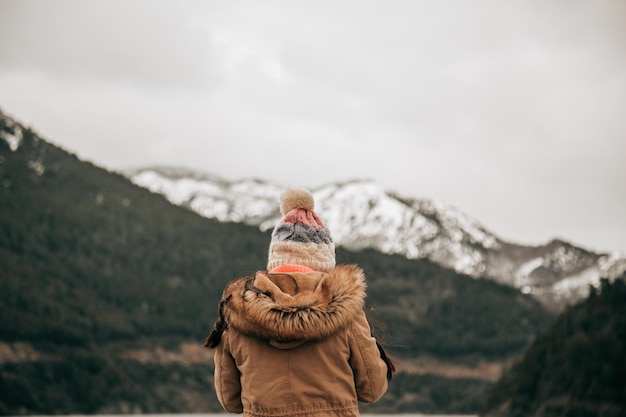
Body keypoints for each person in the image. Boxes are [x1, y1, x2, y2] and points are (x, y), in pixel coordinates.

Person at [204, 187, 394, 417]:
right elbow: (372, 389)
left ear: (275, 258)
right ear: (325, 263)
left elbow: (230, 401)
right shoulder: (347, 313)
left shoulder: (237, 314)